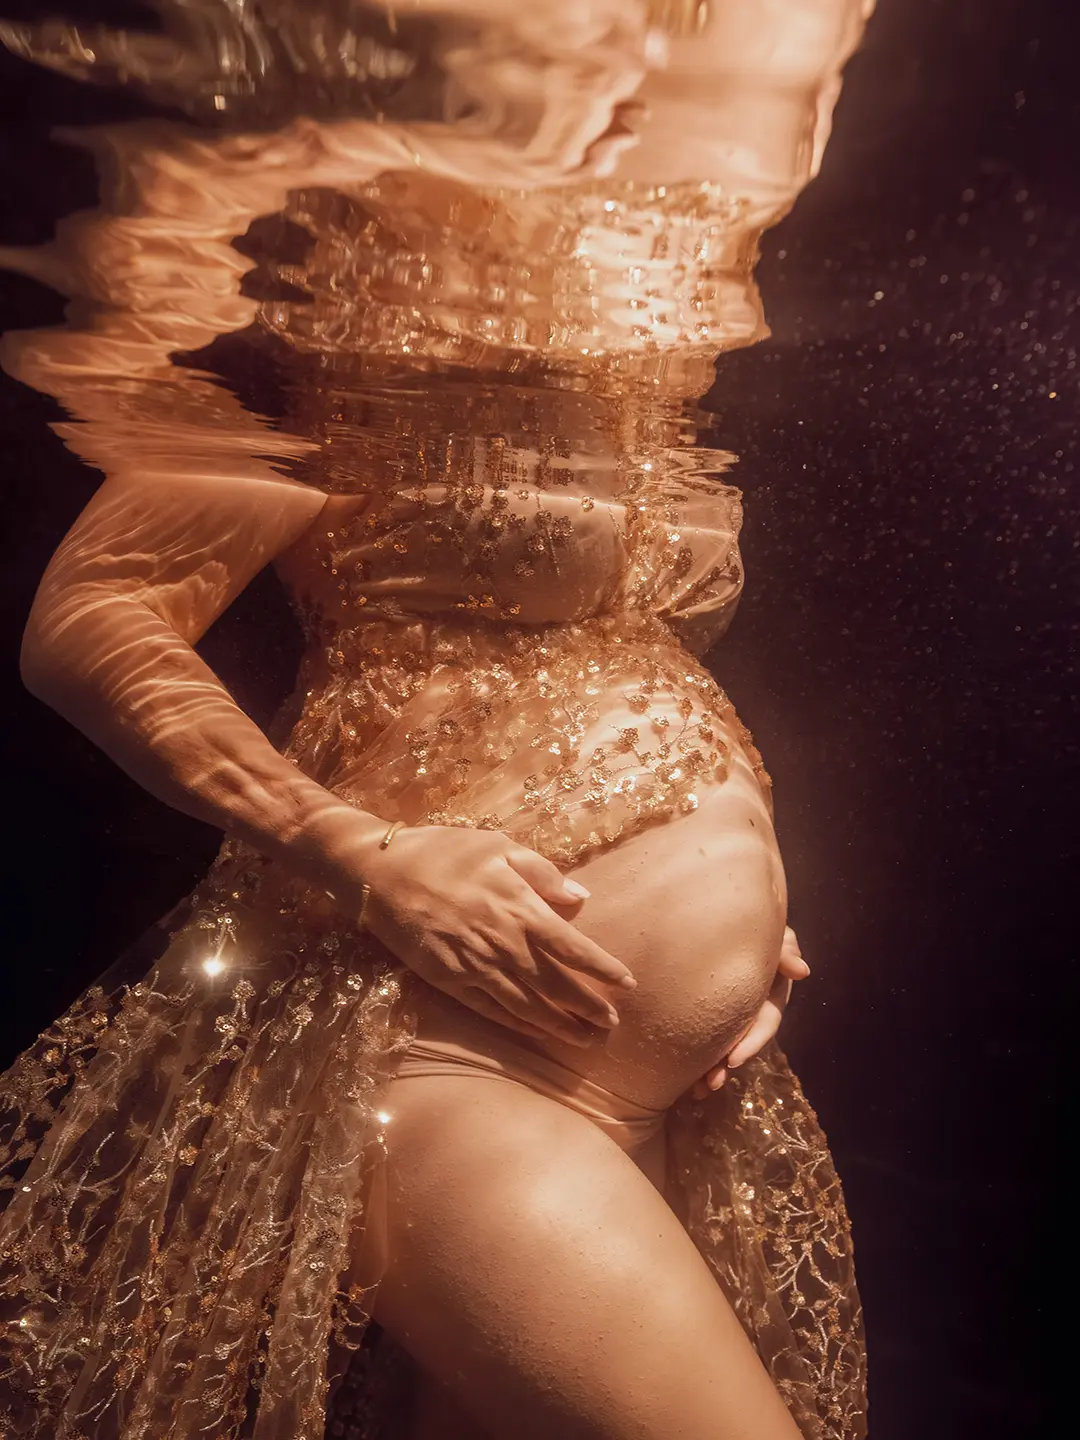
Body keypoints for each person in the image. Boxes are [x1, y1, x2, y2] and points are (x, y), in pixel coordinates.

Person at [0, 2, 873, 1436]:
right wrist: (367, 856)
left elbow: (615, 676)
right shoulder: (323, 317)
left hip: (641, 1087)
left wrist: (736, 920)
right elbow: (89, 626)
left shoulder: (631, 347)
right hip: (453, 1071)